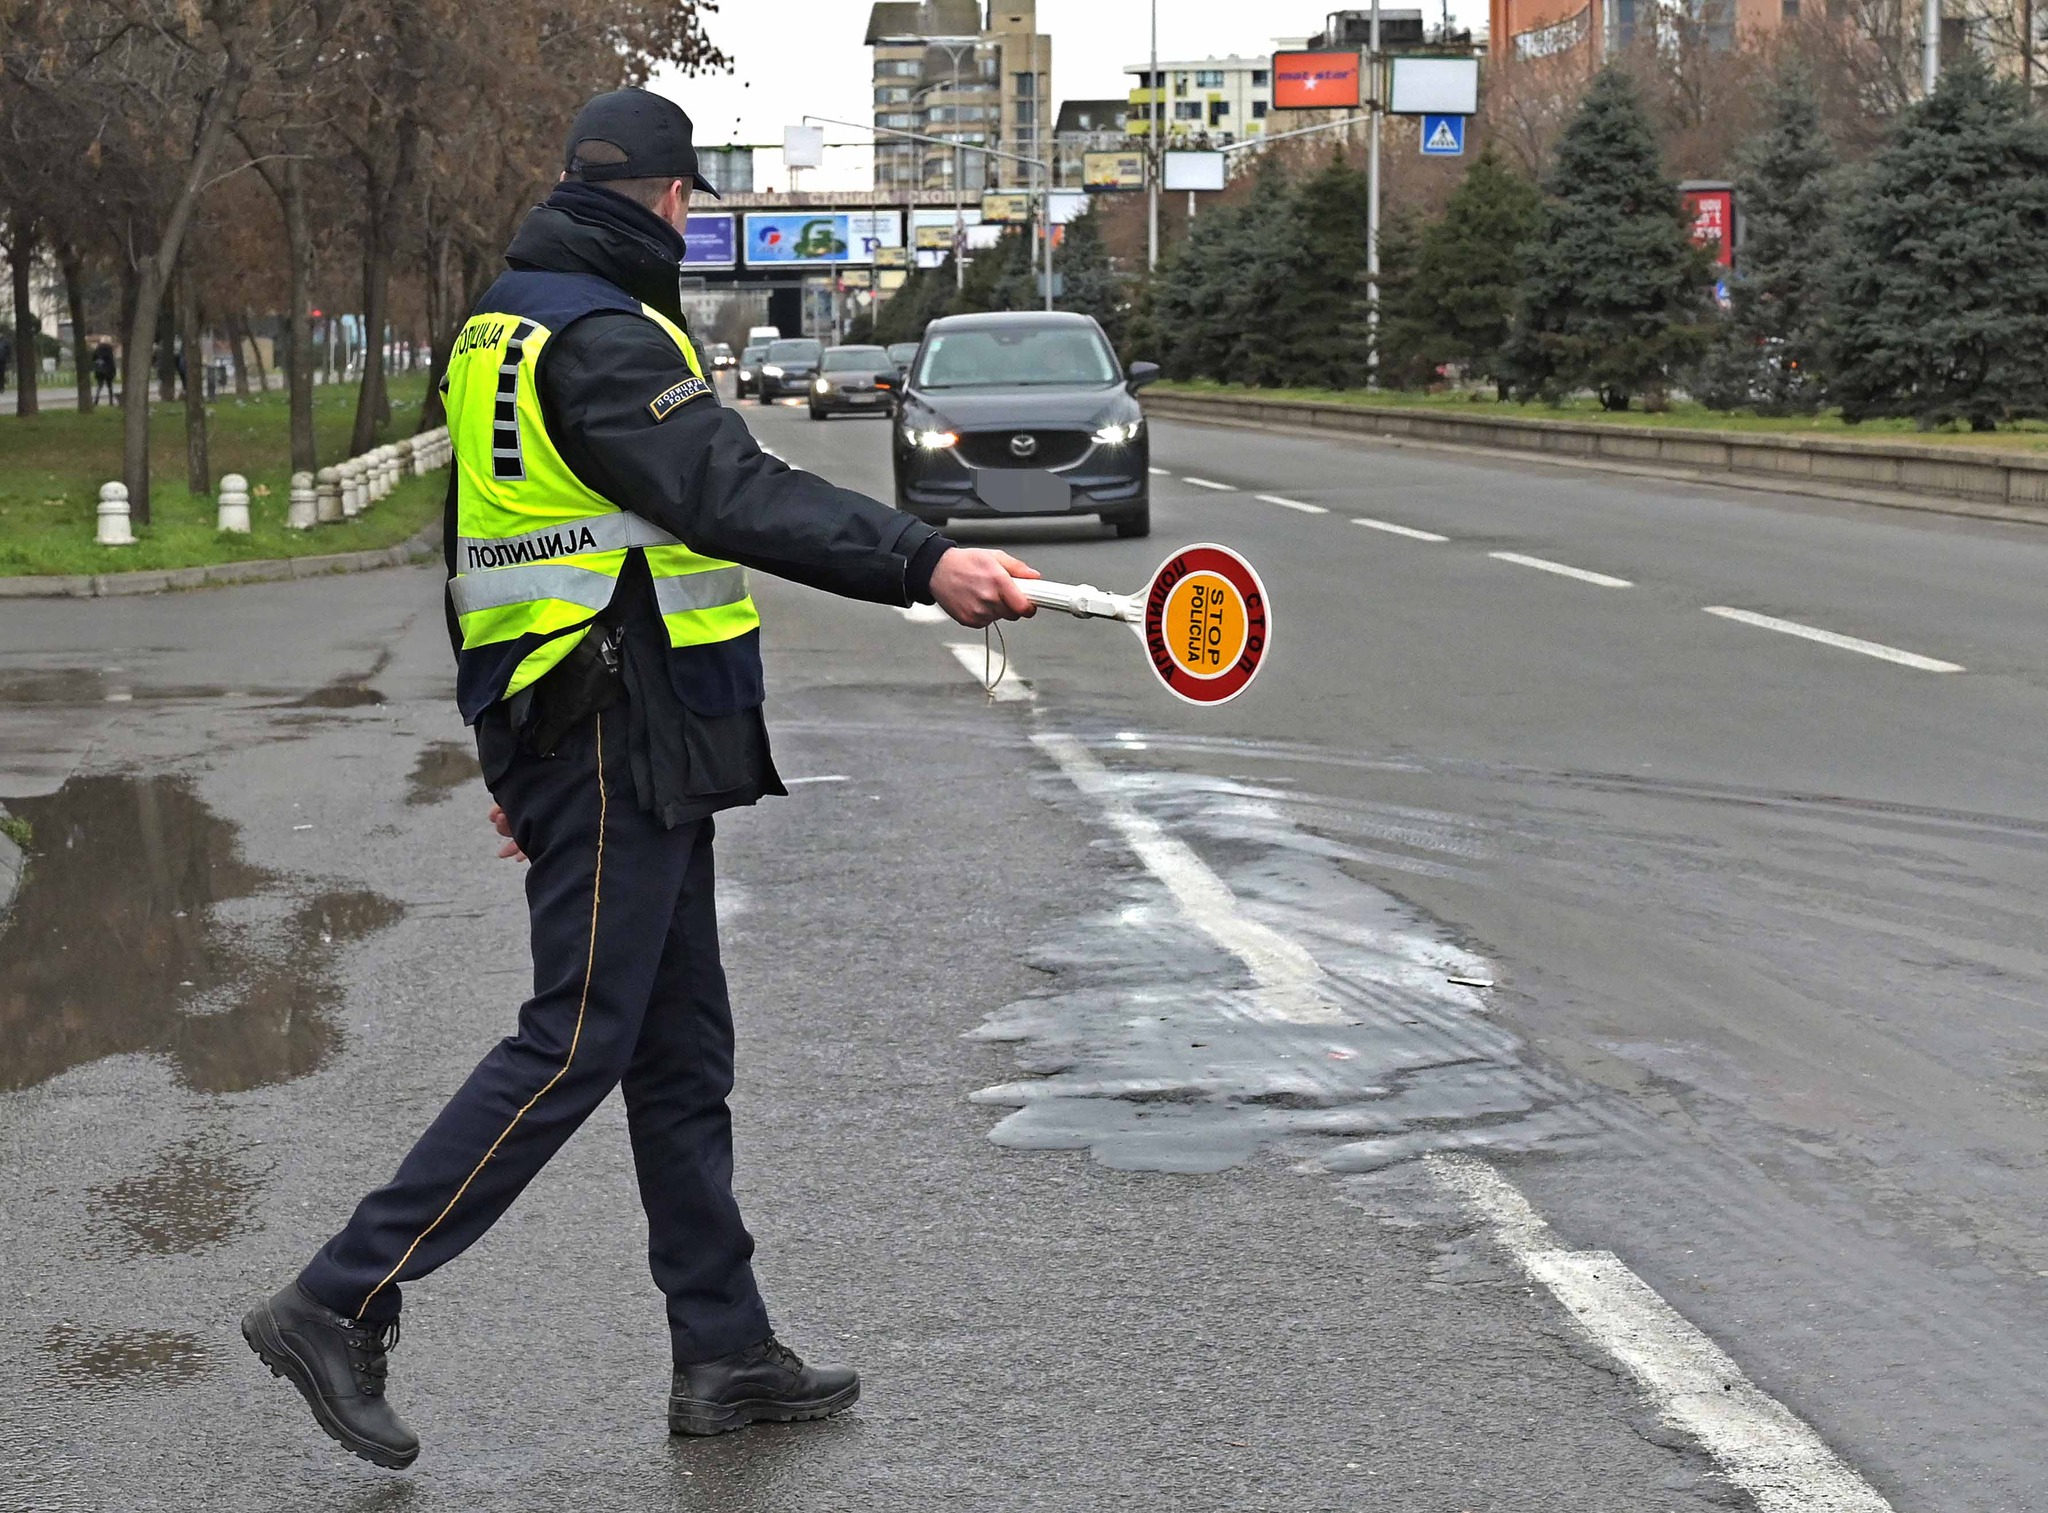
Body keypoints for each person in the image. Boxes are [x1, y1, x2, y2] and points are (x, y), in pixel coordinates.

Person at [240, 88, 1039, 1471]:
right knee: (575, 1040)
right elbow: (731, 492)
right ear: (673, 201)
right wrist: (927, 561)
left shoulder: (504, 324)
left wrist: (504, 747)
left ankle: (723, 1349)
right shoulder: (604, 334)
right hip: (614, 723)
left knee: (678, 1053)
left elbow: (474, 555)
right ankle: (339, 1296)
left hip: (602, 726)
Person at [91, 341, 116, 405]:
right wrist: (113, 372)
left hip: (99, 371)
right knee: (110, 386)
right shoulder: (109, 352)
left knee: (99, 386)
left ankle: (96, 400)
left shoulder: (97, 352)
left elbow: (93, 359)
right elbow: (111, 362)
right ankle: (111, 401)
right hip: (109, 371)